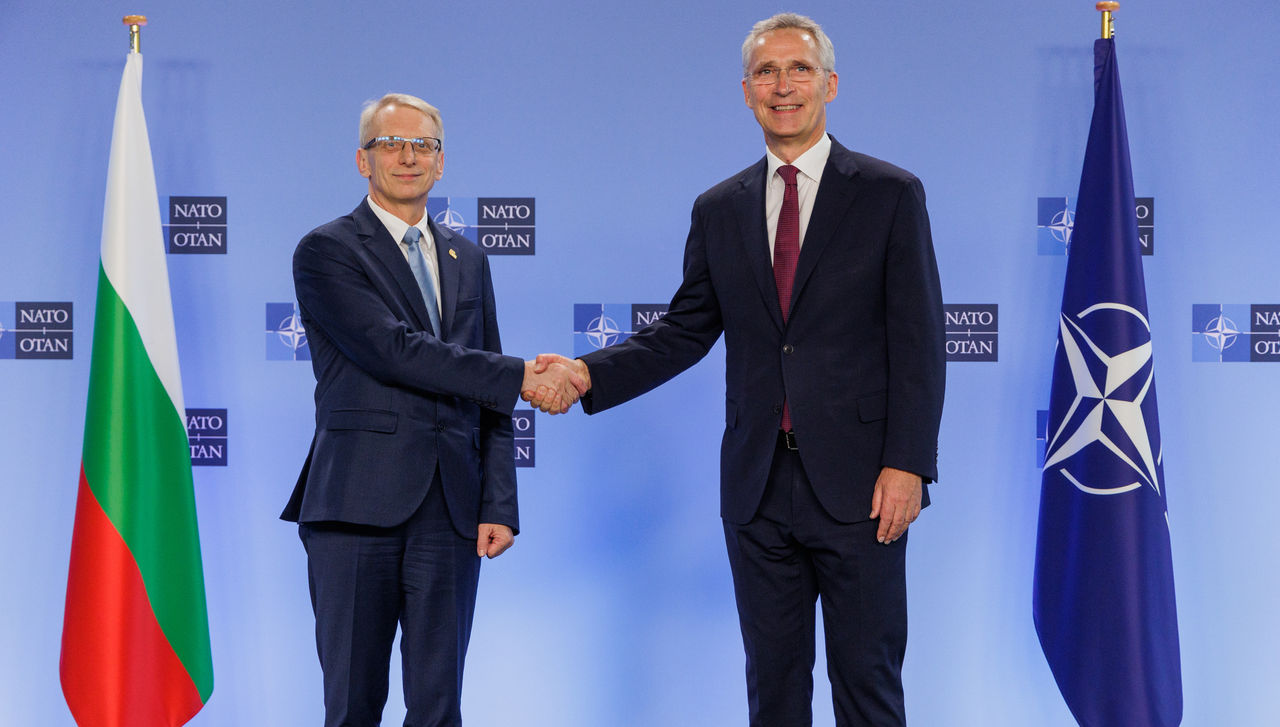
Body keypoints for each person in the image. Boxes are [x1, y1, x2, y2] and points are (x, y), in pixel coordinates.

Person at [531, 13, 944, 726]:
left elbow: (919, 342)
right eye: (766, 72)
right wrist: (588, 373)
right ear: (746, 91)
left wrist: (907, 462)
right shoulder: (719, 208)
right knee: (773, 690)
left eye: (799, 70)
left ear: (830, 85)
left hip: (863, 487)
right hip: (757, 487)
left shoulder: (888, 194)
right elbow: (687, 328)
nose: (782, 86)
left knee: (867, 685)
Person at [282, 93, 584, 727]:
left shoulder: (468, 258)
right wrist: (523, 377)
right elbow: (392, 351)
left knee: (440, 706)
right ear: (363, 160)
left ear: (441, 163)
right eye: (391, 144)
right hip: (356, 511)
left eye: (423, 144)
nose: (408, 156)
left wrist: (498, 501)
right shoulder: (327, 251)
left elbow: (488, 388)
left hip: (449, 512)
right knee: (352, 705)